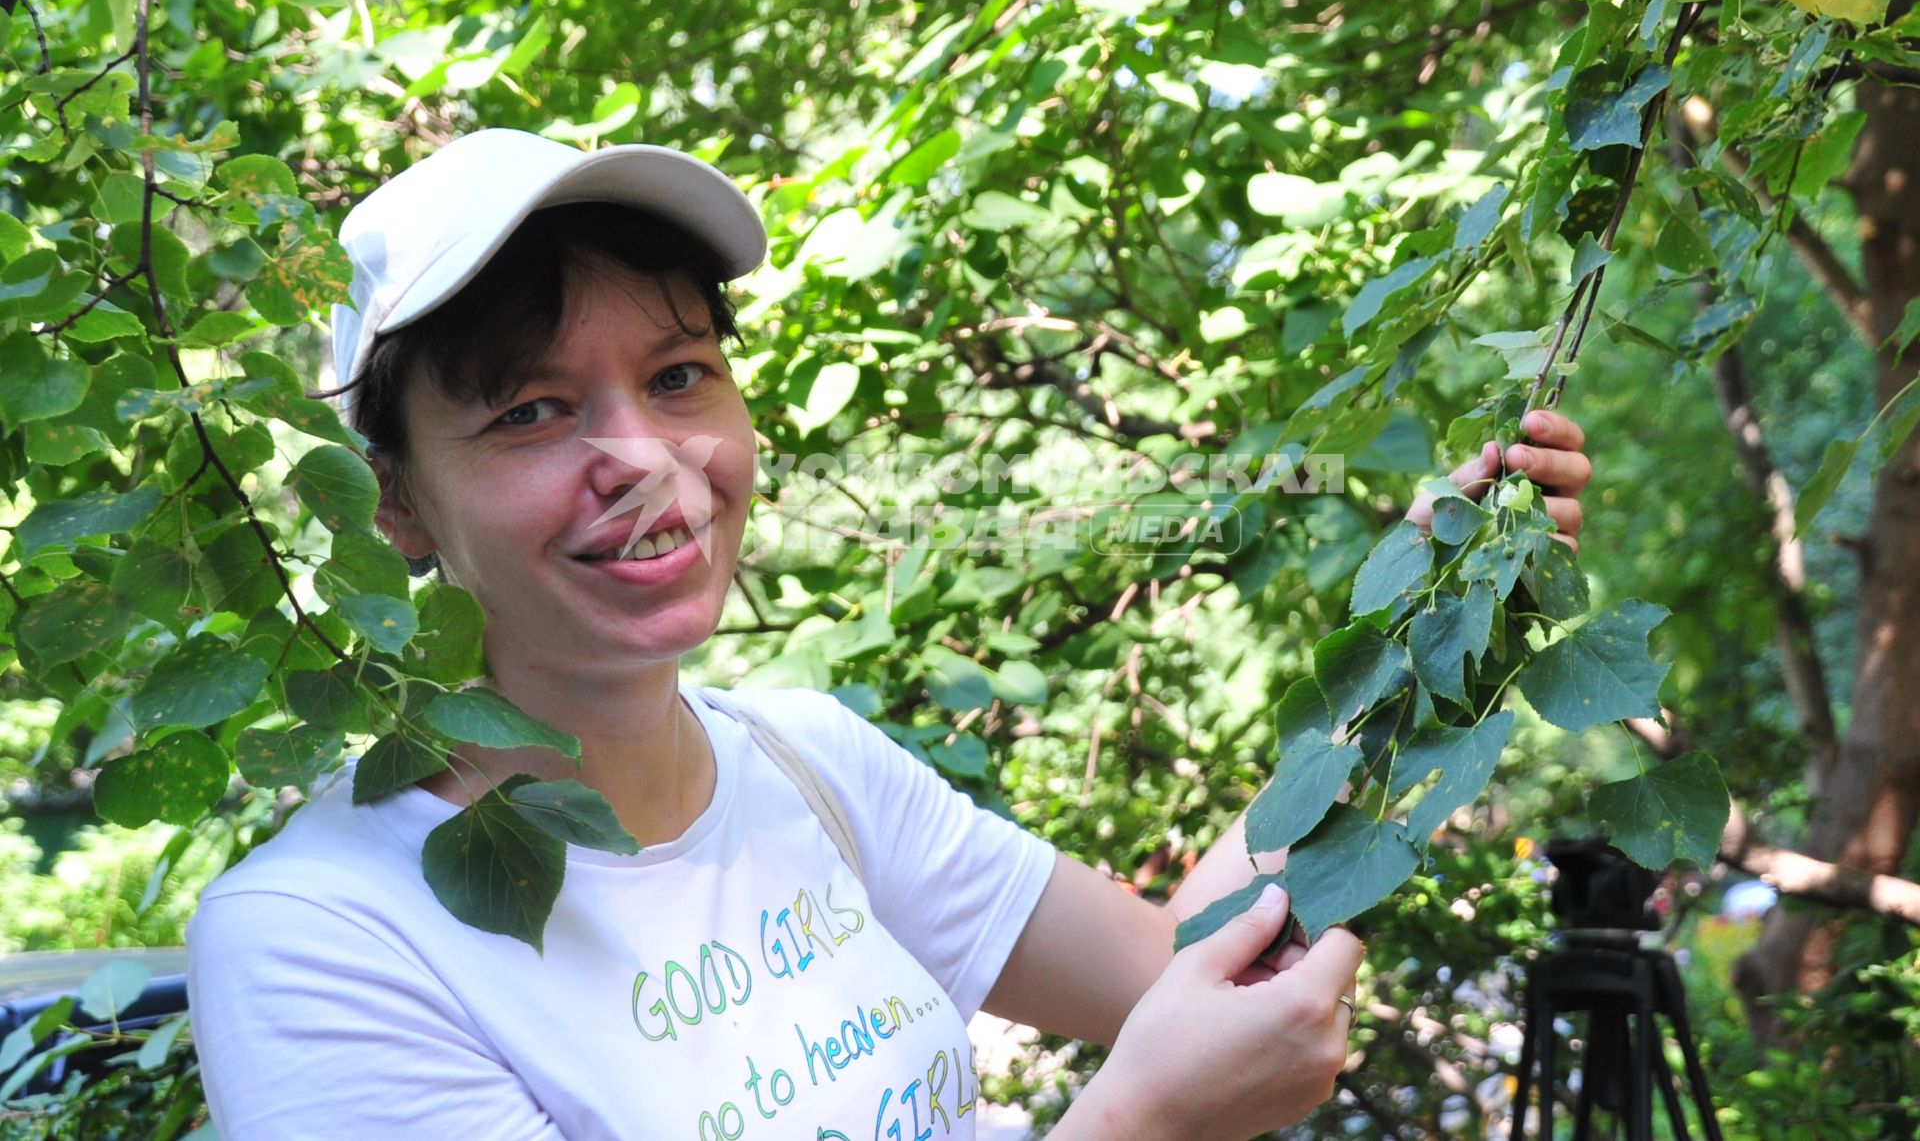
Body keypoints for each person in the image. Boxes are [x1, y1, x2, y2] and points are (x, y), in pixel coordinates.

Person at [184, 129, 1593, 1140]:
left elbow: (1173, 959)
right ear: (398, 507)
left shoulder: (805, 767)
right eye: (530, 410)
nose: (642, 456)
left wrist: (1425, 620)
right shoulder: (322, 941)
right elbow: (1152, 1077)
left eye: (680, 376)